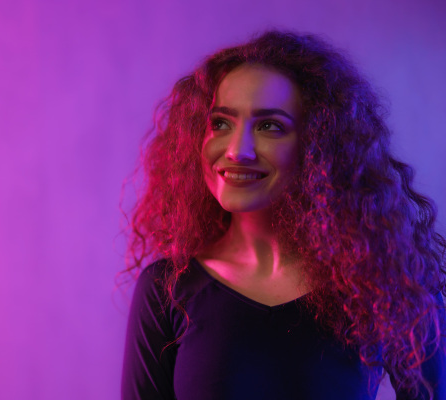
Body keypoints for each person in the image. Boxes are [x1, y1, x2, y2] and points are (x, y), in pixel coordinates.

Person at [121, 30, 446, 399]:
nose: (238, 151)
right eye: (221, 123)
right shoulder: (167, 290)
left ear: (317, 146)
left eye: (270, 127)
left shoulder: (385, 283)